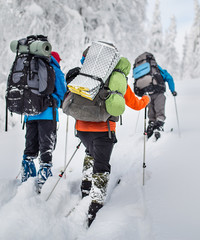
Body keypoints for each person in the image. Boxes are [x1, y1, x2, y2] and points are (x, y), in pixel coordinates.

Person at [71, 48, 150, 227]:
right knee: (102, 165)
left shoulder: (85, 75)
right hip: (104, 129)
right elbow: (136, 105)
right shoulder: (116, 79)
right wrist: (146, 100)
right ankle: (96, 203)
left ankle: (85, 186)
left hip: (81, 128)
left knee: (89, 152)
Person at [21, 51, 66, 193]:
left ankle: (26, 173)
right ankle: (44, 178)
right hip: (47, 113)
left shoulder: (30, 69)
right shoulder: (54, 69)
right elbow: (62, 92)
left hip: (30, 114)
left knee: (30, 145)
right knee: (46, 146)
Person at [134, 52, 177, 139]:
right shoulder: (158, 69)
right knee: (159, 110)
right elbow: (169, 78)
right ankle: (158, 126)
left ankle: (151, 125)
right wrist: (173, 90)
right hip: (158, 92)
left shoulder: (144, 71)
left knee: (151, 112)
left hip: (147, 94)